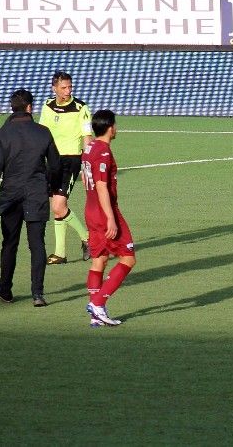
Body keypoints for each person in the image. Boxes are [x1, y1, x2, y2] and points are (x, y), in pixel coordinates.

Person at [0, 89, 60, 307]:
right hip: (36, 193)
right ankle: (38, 293)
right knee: (37, 243)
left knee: (10, 243)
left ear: (12, 108)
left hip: (11, 194)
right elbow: (55, 166)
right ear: (29, 108)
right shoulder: (43, 132)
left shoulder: (2, 134)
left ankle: (5, 289)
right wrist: (55, 192)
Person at [82, 110, 137, 327]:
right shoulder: (103, 151)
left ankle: (96, 314)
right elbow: (103, 186)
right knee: (128, 258)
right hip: (105, 212)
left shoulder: (89, 148)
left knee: (100, 259)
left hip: (90, 210)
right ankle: (98, 302)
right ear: (110, 127)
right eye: (115, 124)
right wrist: (111, 219)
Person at [40, 71, 92, 265]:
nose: (68, 91)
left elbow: (87, 138)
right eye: (64, 87)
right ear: (54, 88)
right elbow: (42, 133)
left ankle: (87, 238)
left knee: (58, 205)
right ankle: (60, 253)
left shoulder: (81, 108)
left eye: (70, 87)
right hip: (51, 161)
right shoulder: (47, 106)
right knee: (58, 209)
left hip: (70, 161)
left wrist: (88, 166)